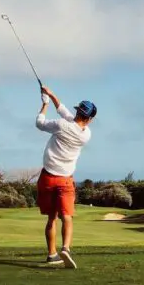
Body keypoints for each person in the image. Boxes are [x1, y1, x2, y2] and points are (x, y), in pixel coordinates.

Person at [35, 85, 96, 268]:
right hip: (65, 180)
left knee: (51, 218)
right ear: (90, 119)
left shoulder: (61, 126)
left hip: (47, 178)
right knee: (67, 215)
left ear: (78, 112)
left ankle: (52, 254)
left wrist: (45, 104)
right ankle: (66, 248)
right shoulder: (86, 135)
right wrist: (51, 95)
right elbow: (65, 113)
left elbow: (40, 123)